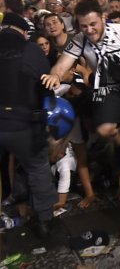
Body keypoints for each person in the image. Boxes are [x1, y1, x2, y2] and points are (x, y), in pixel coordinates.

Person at [41, 0, 120, 201]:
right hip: (108, 91)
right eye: (84, 26)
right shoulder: (79, 40)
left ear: (103, 18)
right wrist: (55, 75)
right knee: (104, 130)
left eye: (93, 24)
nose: (89, 30)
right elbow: (63, 64)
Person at [0, 13, 57, 237]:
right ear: (23, 31)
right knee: (38, 168)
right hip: (24, 124)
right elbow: (46, 84)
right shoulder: (30, 49)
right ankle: (44, 220)